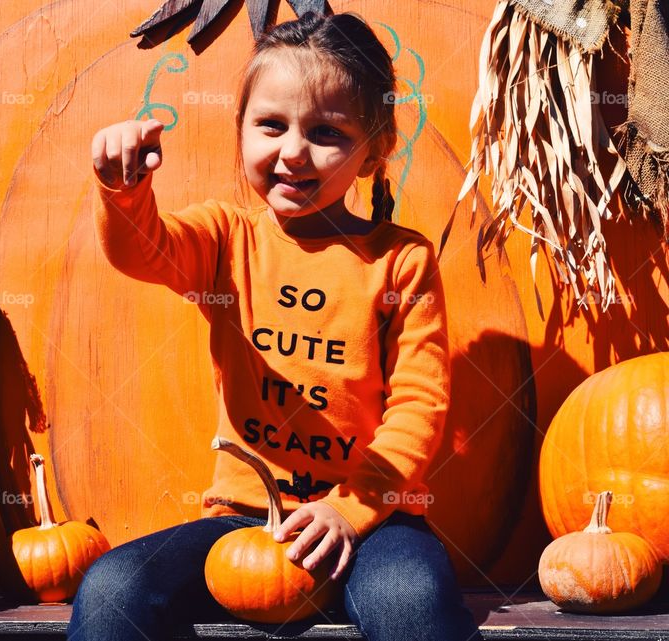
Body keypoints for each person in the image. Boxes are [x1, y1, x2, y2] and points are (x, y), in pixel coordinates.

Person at [74, 11, 481, 641]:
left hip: (373, 520)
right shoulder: (225, 240)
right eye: (271, 125)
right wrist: (124, 192)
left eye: (326, 132)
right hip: (245, 518)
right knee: (111, 587)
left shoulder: (401, 260)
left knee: (409, 597)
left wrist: (351, 509)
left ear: (373, 149)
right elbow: (142, 250)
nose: (293, 151)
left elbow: (419, 405)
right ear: (240, 132)